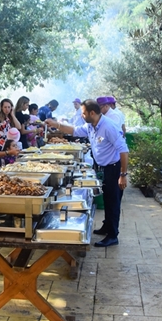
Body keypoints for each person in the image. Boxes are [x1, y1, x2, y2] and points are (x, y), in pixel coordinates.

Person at [45, 99, 128, 247]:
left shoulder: (109, 126)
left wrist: (123, 175)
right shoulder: (91, 125)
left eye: (83, 113)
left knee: (113, 202)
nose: (81, 115)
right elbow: (74, 130)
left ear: (92, 113)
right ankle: (107, 226)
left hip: (113, 168)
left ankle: (113, 235)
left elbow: (124, 150)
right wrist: (56, 124)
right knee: (107, 199)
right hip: (102, 167)